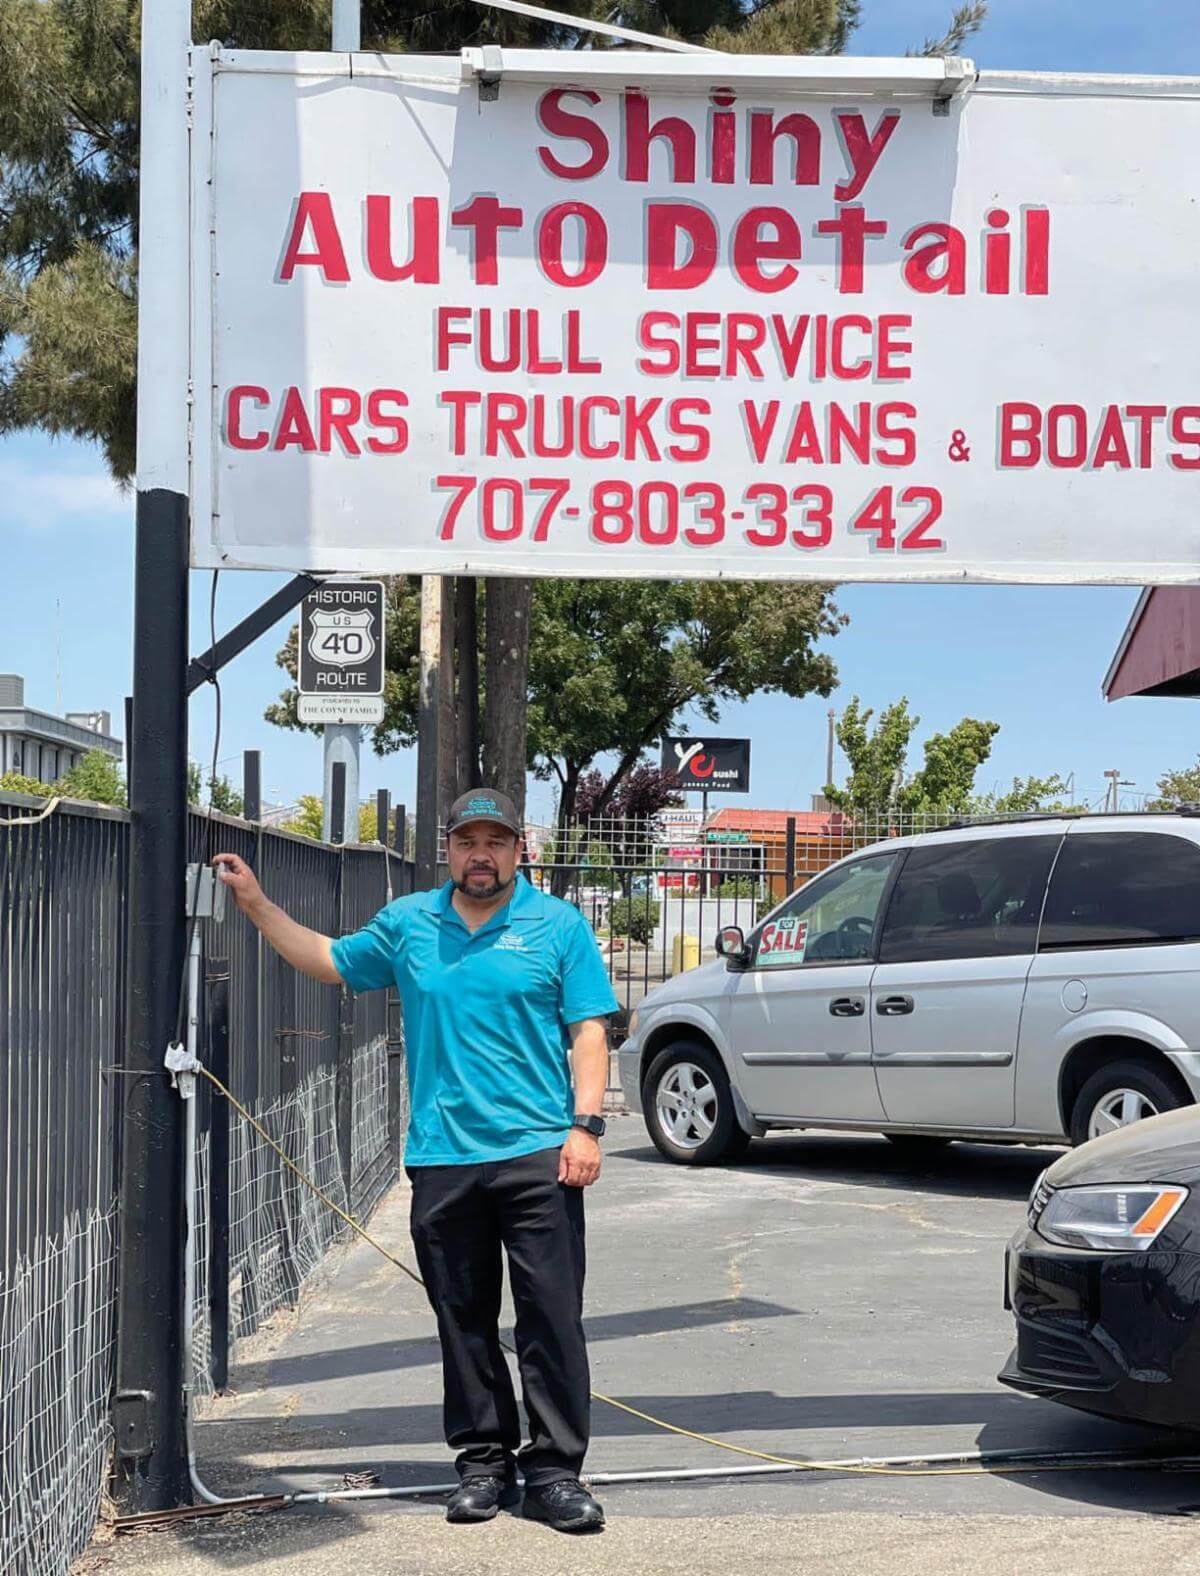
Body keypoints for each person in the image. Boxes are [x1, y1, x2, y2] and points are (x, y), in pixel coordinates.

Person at [213, 788, 618, 1534]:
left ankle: (556, 1473)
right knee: (462, 1319)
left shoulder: (557, 925)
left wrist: (585, 1127)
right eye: (469, 841)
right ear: (450, 849)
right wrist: (258, 906)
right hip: (443, 1156)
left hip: (538, 1155)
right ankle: (483, 1467)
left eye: (496, 842)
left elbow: (589, 1030)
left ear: (518, 851)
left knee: (550, 1319)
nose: (481, 855)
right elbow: (331, 961)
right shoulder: (409, 924)